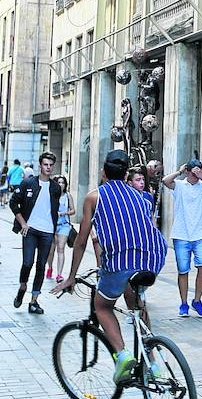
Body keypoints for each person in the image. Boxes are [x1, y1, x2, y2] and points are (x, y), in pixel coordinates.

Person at [52, 149, 167, 385]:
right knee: (136, 303)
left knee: (103, 306)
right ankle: (152, 361)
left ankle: (123, 355)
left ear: (103, 172)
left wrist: (71, 277)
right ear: (126, 174)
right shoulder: (139, 195)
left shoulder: (95, 197)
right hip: (153, 257)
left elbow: (82, 240)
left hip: (120, 260)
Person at [162, 158, 202, 318]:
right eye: (193, 172)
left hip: (200, 234)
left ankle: (197, 300)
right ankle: (184, 303)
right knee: (183, 271)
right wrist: (180, 171)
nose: (195, 175)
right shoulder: (179, 186)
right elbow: (165, 181)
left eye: (198, 171)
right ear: (188, 171)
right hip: (181, 234)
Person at [9, 152, 60, 314]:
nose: (48, 167)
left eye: (51, 165)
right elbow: (13, 202)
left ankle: (34, 301)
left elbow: (55, 210)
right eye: (45, 164)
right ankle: (22, 286)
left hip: (47, 232)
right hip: (30, 230)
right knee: (27, 263)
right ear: (40, 166)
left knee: (41, 266)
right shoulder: (28, 183)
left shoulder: (55, 187)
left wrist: (55, 231)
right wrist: (23, 223)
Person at [46, 175, 75, 282]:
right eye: (59, 182)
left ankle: (59, 274)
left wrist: (64, 213)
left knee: (61, 248)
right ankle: (49, 268)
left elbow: (73, 210)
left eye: (63, 182)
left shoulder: (67, 195)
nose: (61, 184)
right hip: (52, 226)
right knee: (50, 251)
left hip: (64, 225)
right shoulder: (51, 195)